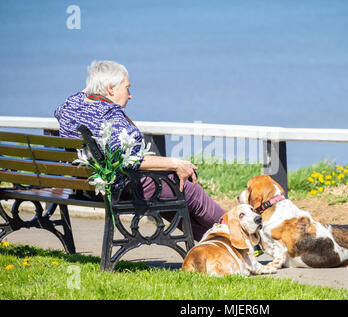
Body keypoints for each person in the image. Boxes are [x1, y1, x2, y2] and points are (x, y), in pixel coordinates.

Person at [54, 60, 225, 241]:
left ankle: (220, 243)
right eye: (127, 88)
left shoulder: (71, 106)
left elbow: (63, 108)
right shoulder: (111, 117)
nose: (130, 96)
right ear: (111, 89)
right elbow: (131, 160)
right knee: (190, 192)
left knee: (171, 204)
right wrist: (176, 163)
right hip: (123, 189)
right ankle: (240, 232)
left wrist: (95, 84)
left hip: (90, 188)